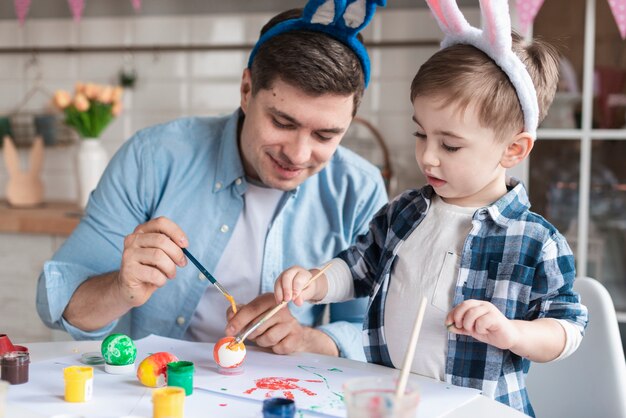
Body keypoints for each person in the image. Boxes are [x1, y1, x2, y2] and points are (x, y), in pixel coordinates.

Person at [273, 1, 588, 415]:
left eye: (450, 145)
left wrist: (512, 333)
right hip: (395, 401)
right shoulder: (405, 211)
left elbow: (567, 328)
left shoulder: (534, 241)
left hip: (482, 409)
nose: (428, 157)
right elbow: (356, 267)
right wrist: (313, 283)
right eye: (421, 134)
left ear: (514, 149)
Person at [36, 0, 388, 361]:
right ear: (247, 90)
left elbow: (371, 328)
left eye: (326, 136)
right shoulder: (152, 158)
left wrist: (305, 338)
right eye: (283, 123)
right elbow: (59, 304)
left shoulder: (358, 189)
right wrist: (120, 288)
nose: (298, 155)